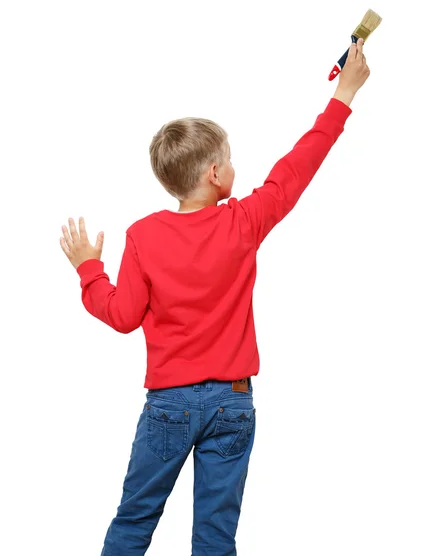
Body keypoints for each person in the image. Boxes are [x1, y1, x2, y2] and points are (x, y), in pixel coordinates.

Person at [60, 38, 370, 555]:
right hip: (233, 402)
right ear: (213, 174)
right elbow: (296, 168)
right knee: (215, 536)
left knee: (134, 519)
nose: (233, 166)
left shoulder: (143, 235)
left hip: (168, 405)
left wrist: (90, 269)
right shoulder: (243, 222)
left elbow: (121, 315)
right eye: (228, 159)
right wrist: (344, 96)